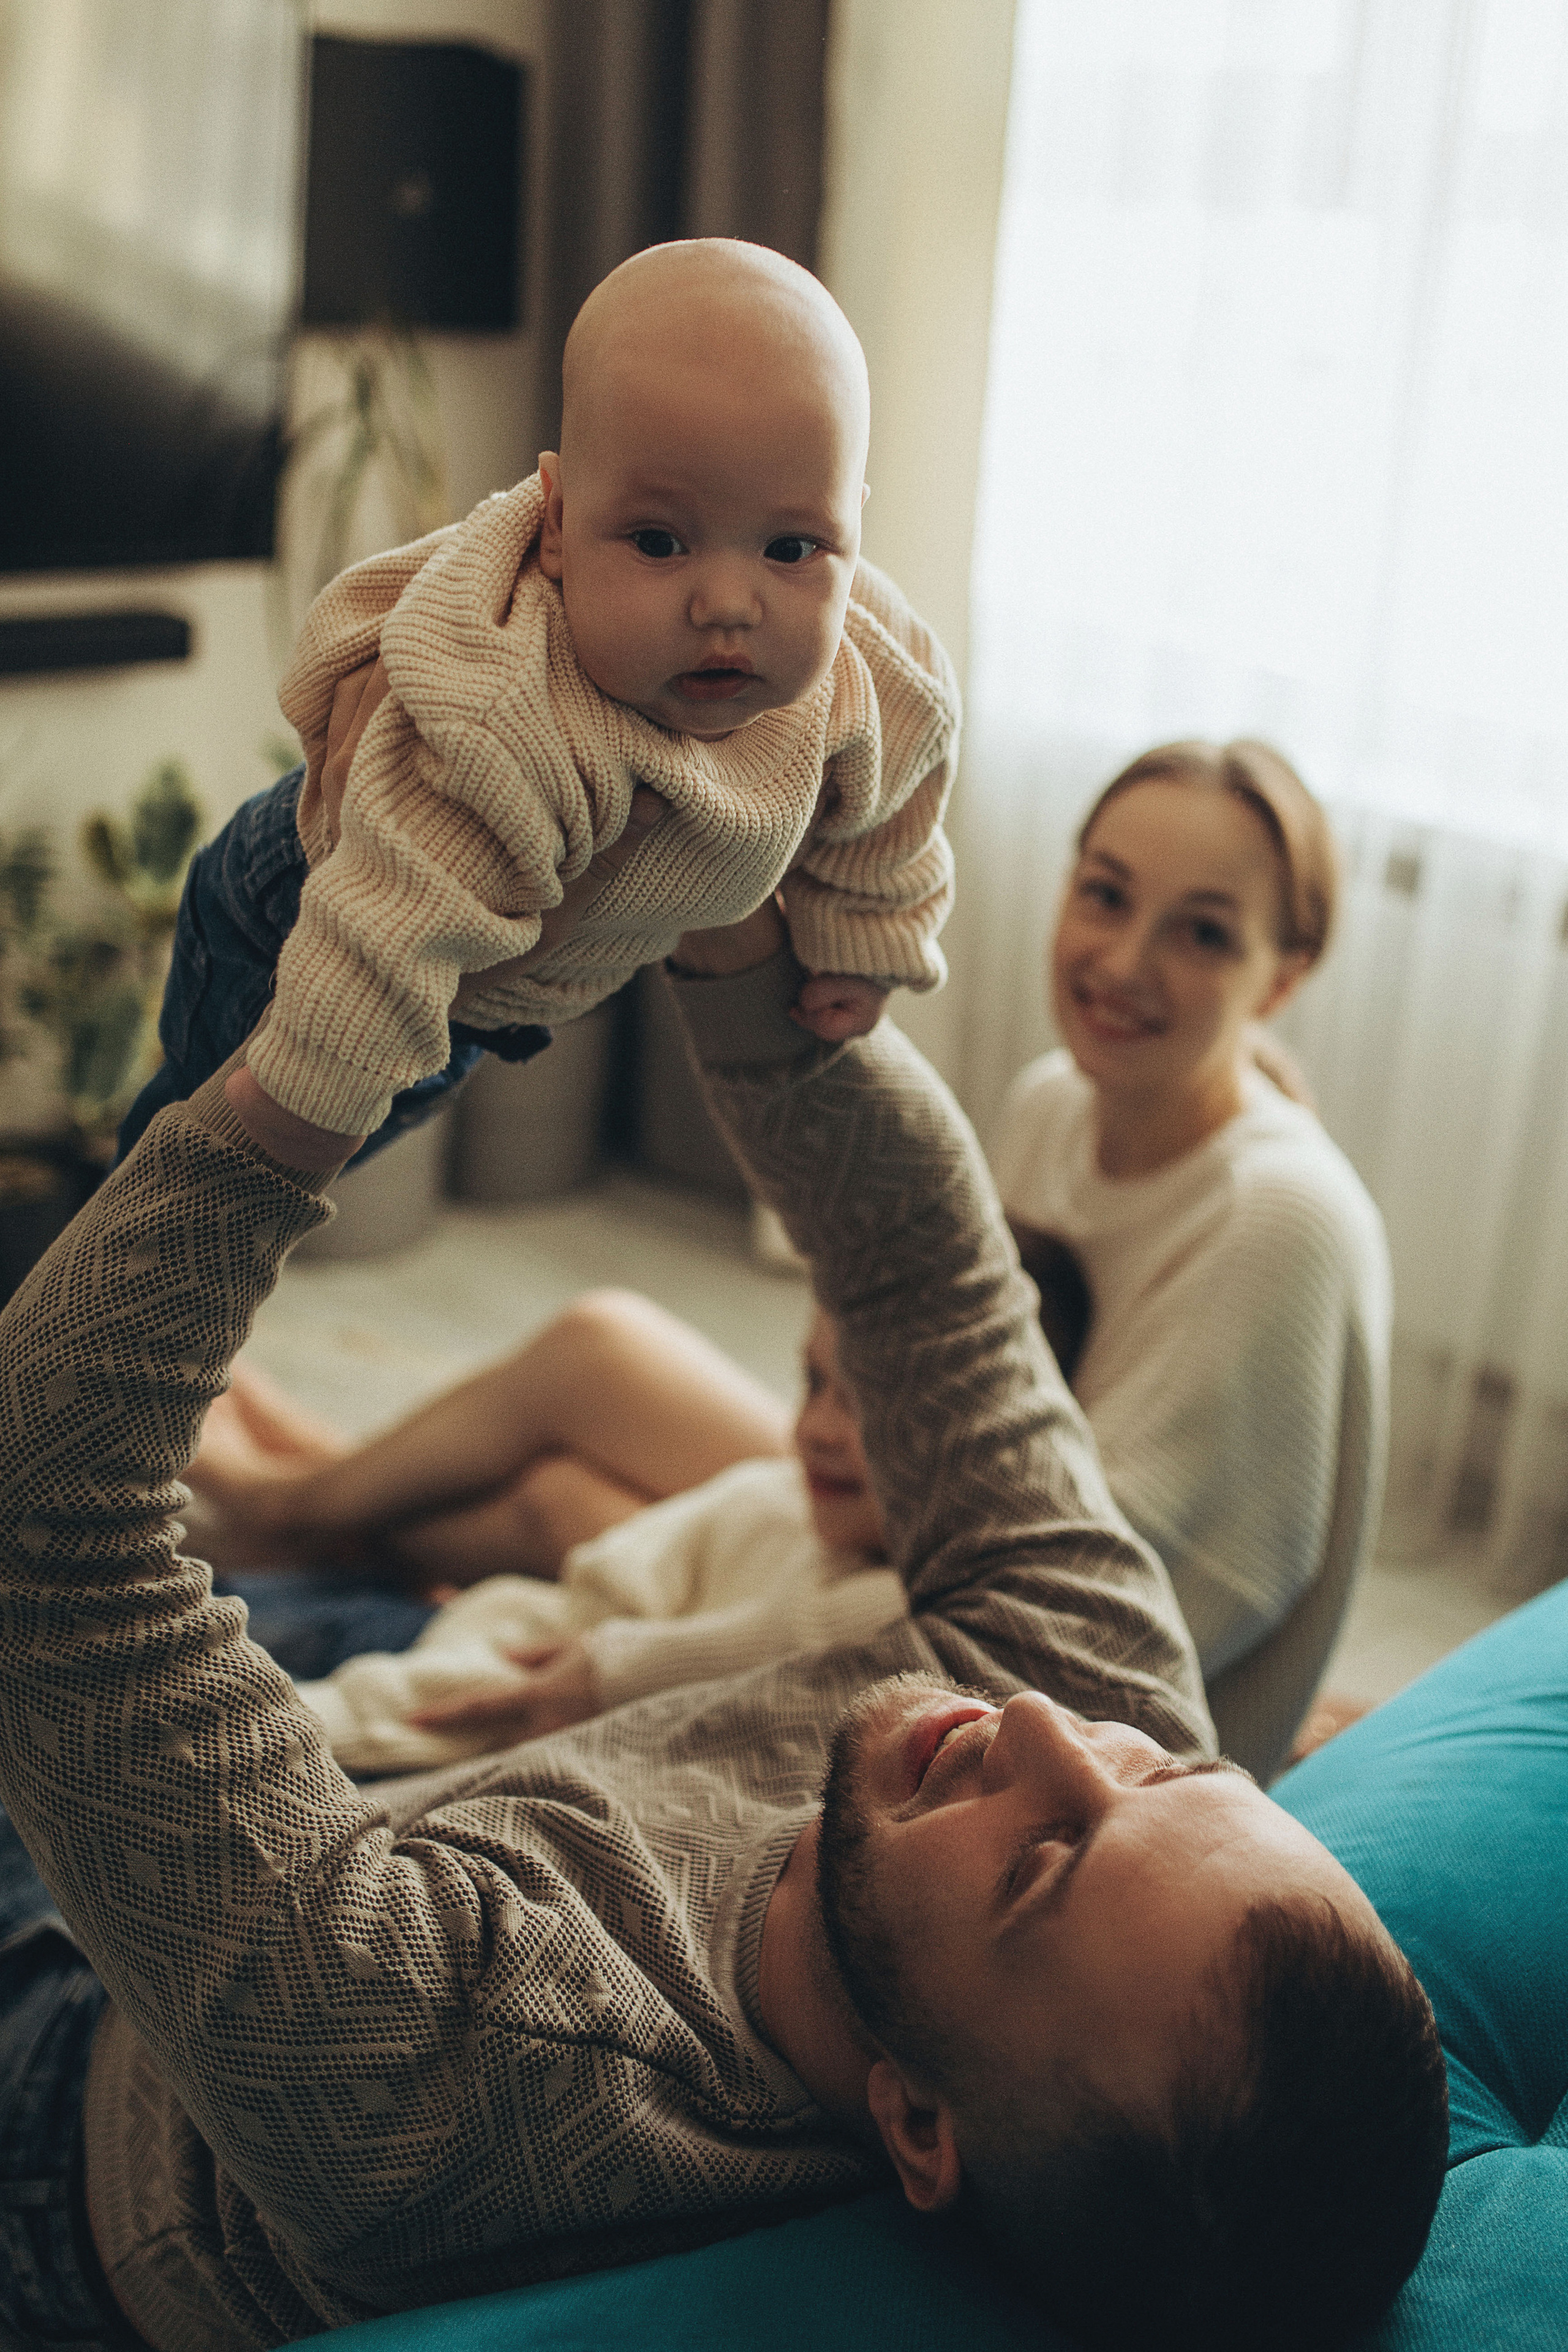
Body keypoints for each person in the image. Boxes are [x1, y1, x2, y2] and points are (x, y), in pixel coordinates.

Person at [0, 894, 1446, 2352]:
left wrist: (305, 1085)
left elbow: (50, 1532)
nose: (1032, 1726)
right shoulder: (1101, 1702)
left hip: (69, 2086)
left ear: (918, 2124)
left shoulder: (486, 2072)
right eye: (1166, 1771)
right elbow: (928, 1288)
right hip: (382, 1814)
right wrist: (739, 929)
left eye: (1040, 1861)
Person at [117, 236, 960, 1171]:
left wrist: (865, 933)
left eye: (794, 548)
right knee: (196, 1143)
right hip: (305, 921)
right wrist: (299, 1116)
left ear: (852, 526)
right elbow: (383, 932)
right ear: (555, 525)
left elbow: (904, 789)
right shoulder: (508, 707)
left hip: (491, 999)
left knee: (377, 1126)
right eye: (657, 540)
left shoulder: (875, 666)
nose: (728, 603)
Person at [992, 741, 1390, 1778]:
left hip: (1086, 1750)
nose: (1123, 964)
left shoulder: (1278, 1219)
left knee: (581, 1449)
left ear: (1281, 979)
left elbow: (1087, 1628)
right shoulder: (1050, 1103)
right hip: (959, 1549)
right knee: (596, 1374)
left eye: (1203, 934)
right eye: (1106, 896)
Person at [230, 1309, 908, 1776]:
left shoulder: (880, 1615)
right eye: (813, 1383)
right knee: (560, 1494)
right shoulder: (771, 1498)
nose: (814, 1429)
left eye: (865, 1402)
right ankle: (302, 1495)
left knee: (573, 1445)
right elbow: (581, 1612)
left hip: (439, 1697)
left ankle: (287, 1502)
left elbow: (534, 1689)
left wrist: (261, 1735)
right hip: (482, 1640)